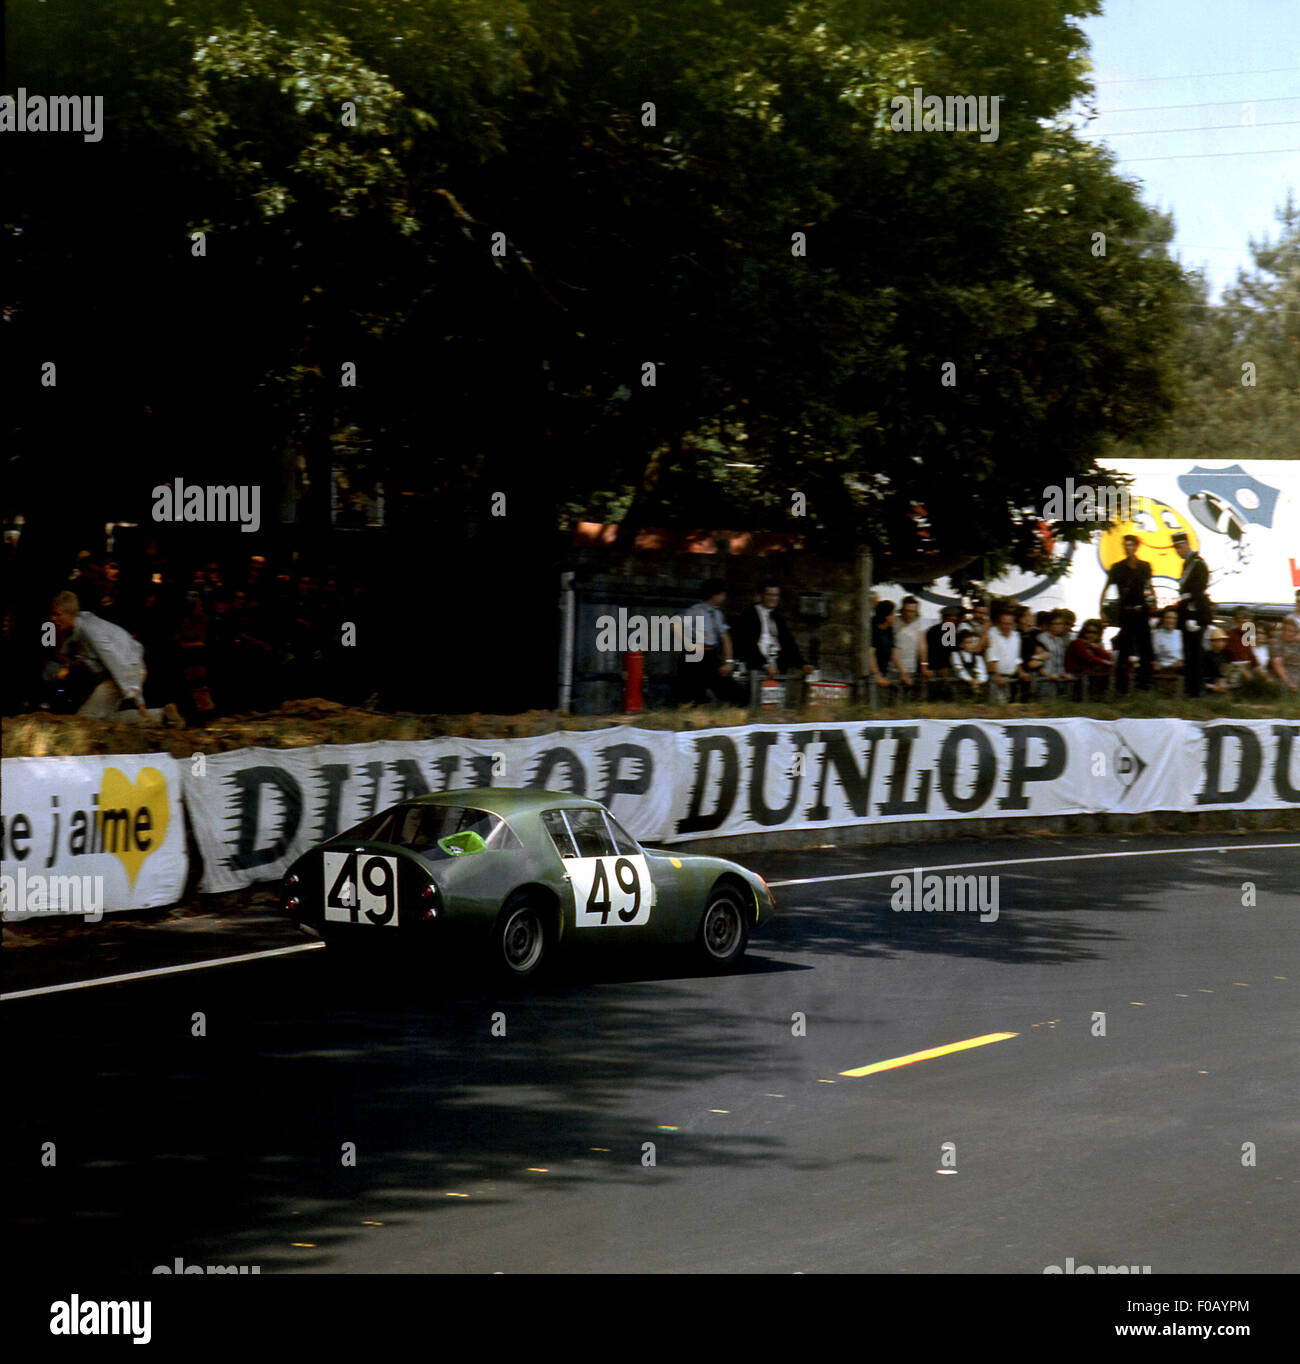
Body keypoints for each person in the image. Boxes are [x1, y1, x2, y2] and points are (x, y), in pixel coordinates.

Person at [46, 591, 179, 725]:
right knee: (107, 719)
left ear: (71, 613)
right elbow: (73, 655)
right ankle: (162, 716)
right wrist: (65, 669)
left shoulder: (91, 631)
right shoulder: (76, 631)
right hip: (123, 671)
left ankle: (160, 717)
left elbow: (116, 661)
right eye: (52, 614)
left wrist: (137, 697)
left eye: (58, 614)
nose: (53, 619)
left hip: (127, 671)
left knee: (86, 719)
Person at [733, 582, 813, 700]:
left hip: (776, 665)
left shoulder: (778, 618)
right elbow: (747, 643)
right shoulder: (749, 615)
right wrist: (764, 664)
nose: (773, 599)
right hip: (755, 665)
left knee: (774, 701)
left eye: (776, 595)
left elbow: (788, 643)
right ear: (761, 596)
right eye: (769, 595)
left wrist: (802, 664)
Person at [1100, 534, 1155, 693]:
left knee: (1145, 650)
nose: (1128, 548)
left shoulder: (1144, 566)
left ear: (1136, 547)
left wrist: (1153, 606)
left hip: (1142, 612)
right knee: (1124, 650)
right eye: (1126, 545)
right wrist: (1102, 609)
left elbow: (1149, 588)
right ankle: (1120, 688)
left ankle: (1144, 686)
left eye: (1131, 545)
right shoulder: (1117, 567)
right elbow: (1106, 589)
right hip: (1126, 612)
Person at [676, 578, 744, 705]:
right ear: (715, 594)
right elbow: (675, 625)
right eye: (722, 594)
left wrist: (729, 661)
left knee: (732, 690)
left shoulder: (718, 614)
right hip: (695, 655)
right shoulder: (697, 611)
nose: (724, 597)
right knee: (693, 694)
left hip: (711, 655)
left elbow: (725, 638)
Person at [1171, 531, 1212, 697]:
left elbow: (1197, 591)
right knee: (1189, 654)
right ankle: (1191, 690)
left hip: (1194, 615)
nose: (1178, 550)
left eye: (1180, 547)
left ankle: (1198, 690)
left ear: (1188, 545)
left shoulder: (1197, 564)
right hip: (1187, 614)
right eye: (1176, 548)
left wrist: (1192, 616)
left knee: (1195, 654)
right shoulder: (1187, 564)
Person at [921, 604, 963, 699]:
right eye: (950, 620)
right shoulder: (933, 632)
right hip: (934, 670)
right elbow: (928, 651)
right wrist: (926, 667)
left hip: (947, 671)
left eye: (954, 621)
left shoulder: (953, 633)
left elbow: (951, 651)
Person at [1065, 619, 1114, 699]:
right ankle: (1095, 697)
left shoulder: (1095, 645)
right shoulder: (1077, 643)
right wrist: (1103, 661)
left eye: (1094, 632)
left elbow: (1108, 657)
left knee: (1106, 670)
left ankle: (1101, 697)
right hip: (1077, 672)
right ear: (1083, 632)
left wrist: (1095, 647)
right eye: (1088, 632)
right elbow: (1087, 657)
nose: (1091, 635)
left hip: (1089, 672)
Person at [891, 595, 927, 695]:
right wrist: (902, 673)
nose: (909, 614)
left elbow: (922, 644)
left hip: (911, 667)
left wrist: (924, 664)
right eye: (907, 611)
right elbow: (893, 648)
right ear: (902, 610)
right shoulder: (894, 622)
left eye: (912, 611)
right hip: (894, 668)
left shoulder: (919, 622)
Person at [983, 605, 1020, 701]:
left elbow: (1016, 657)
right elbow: (990, 656)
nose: (1006, 626)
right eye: (1003, 623)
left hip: (1012, 679)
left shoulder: (1016, 636)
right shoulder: (992, 633)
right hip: (996, 679)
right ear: (999, 623)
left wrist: (1021, 672)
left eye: (1009, 624)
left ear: (1013, 624)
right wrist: (996, 675)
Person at [1036, 611, 1071, 694]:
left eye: (1061, 624)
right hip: (1045, 679)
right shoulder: (1041, 638)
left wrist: (1063, 672)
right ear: (1049, 625)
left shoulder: (1059, 640)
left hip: (1058, 679)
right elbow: (1038, 660)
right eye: (1056, 624)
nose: (1059, 627)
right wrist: (1047, 675)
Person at [867, 599, 896, 698]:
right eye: (893, 614)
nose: (895, 617)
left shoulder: (889, 630)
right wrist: (877, 676)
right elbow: (870, 654)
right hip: (872, 675)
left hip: (884, 672)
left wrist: (903, 673)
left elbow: (893, 652)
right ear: (886, 616)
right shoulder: (873, 630)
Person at [949, 629, 988, 699]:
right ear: (961, 645)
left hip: (976, 685)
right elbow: (959, 670)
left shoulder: (977, 656)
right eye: (968, 643)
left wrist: (979, 680)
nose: (972, 645)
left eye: (973, 642)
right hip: (960, 685)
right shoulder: (955, 655)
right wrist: (970, 680)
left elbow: (982, 671)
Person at [1269, 616, 1300, 693]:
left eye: (1293, 632)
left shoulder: (1296, 642)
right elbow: (1277, 664)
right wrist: (1290, 683)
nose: (1290, 633)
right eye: (1288, 630)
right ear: (1282, 630)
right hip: (1285, 675)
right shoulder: (1275, 642)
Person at [1152, 607, 1183, 678]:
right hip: (1158, 671)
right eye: (1168, 617)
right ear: (1163, 619)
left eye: (1174, 618)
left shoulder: (1180, 634)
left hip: (1177, 671)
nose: (1170, 621)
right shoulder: (1155, 634)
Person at [1203, 628, 1233, 694]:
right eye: (1220, 640)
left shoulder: (1225, 655)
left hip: (1223, 682)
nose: (1223, 643)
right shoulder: (1206, 656)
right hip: (1210, 683)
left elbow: (1227, 669)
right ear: (1213, 642)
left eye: (1224, 641)